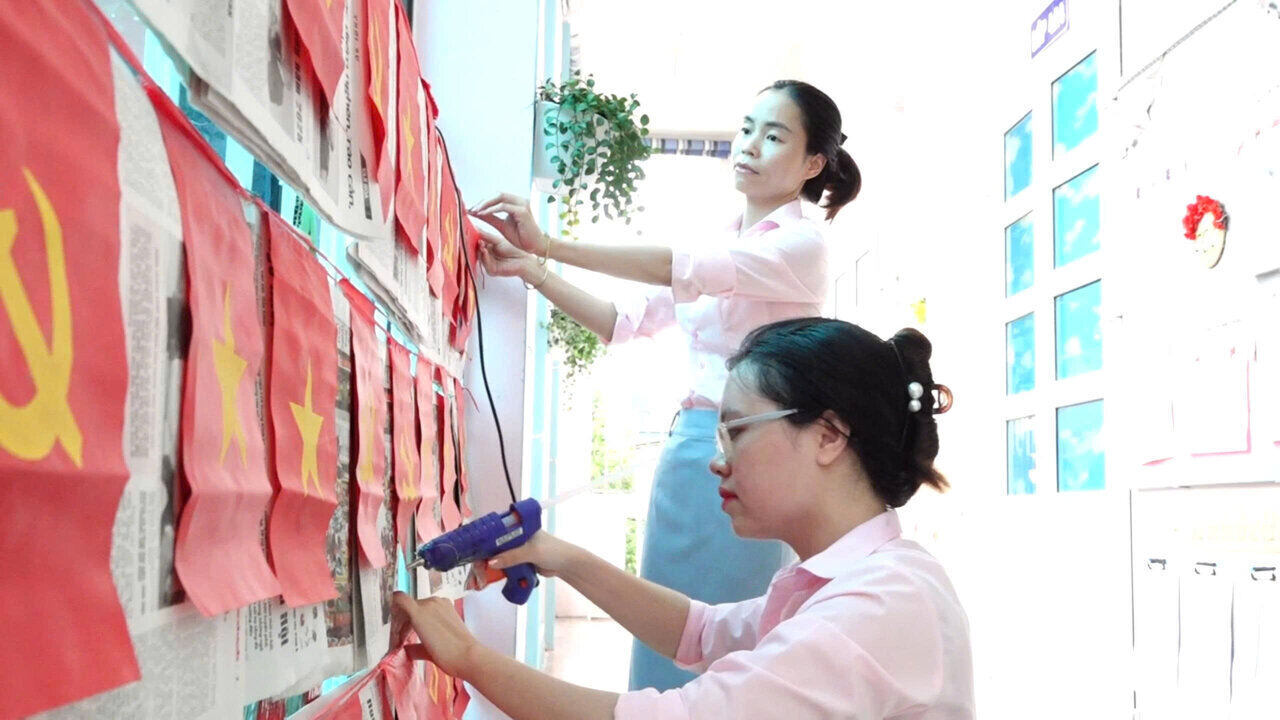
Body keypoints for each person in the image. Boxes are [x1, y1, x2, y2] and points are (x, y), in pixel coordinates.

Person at [468, 79, 862, 691]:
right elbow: (619, 323)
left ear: (814, 163)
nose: (751, 144)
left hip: (759, 451)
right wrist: (534, 271)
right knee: (664, 626)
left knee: (724, 644)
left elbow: (673, 267)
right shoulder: (724, 236)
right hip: (690, 450)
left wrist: (547, 242)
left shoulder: (802, 244)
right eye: (748, 127)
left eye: (775, 135)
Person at [391, 318, 975, 719]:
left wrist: (469, 658)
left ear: (827, 435)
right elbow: (701, 633)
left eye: (738, 431)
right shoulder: (859, 578)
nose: (718, 461)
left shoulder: (884, 604)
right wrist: (557, 555)